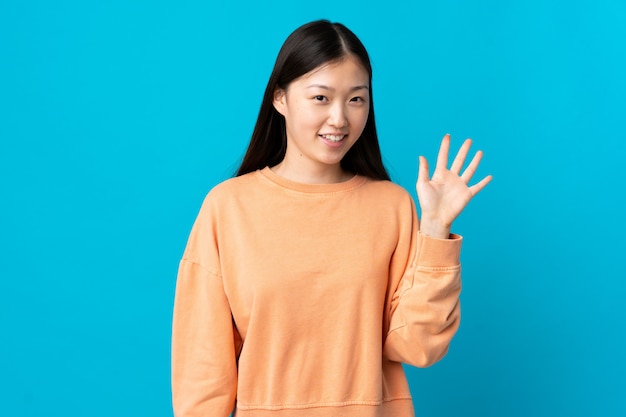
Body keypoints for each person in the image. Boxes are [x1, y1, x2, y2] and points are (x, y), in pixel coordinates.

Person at [171, 20, 492, 417]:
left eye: (356, 99)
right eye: (321, 98)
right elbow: (202, 372)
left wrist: (436, 230)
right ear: (280, 99)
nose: (340, 118)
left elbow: (417, 346)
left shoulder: (391, 206)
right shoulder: (228, 207)